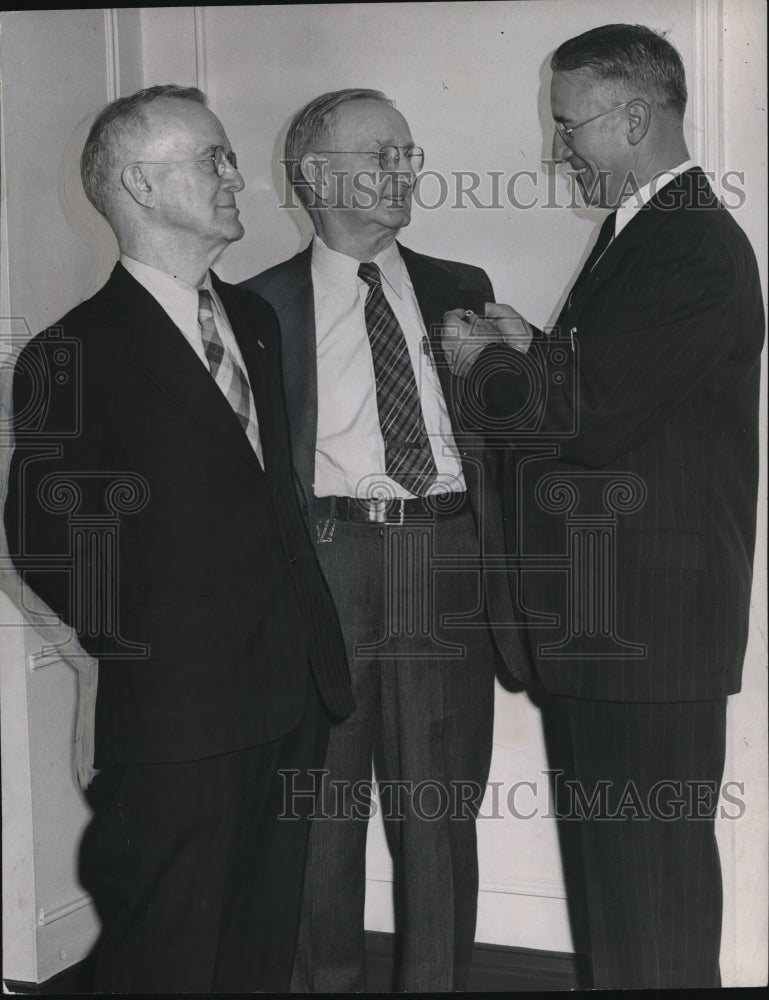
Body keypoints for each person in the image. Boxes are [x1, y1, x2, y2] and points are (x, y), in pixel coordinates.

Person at [3, 83, 354, 994]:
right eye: (212, 157)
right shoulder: (70, 352)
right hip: (179, 716)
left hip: (293, 694)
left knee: (259, 948)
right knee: (169, 958)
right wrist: (156, 653)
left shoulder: (259, 323)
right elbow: (45, 540)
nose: (236, 175)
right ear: (140, 186)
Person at [443, 24, 764, 990]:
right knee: (623, 897)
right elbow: (621, 390)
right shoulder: (646, 234)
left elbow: (587, 416)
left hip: (644, 636)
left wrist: (487, 365)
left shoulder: (694, 244)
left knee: (649, 903)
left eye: (566, 127)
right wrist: (532, 342)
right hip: (611, 631)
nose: (556, 152)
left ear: (633, 117)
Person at [241, 88, 531, 993]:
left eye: (408, 153)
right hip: (329, 560)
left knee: (438, 811)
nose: (403, 171)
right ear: (313, 176)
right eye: (379, 155)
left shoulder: (460, 287)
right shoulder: (256, 308)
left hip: (444, 559)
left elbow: (523, 431)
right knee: (321, 809)